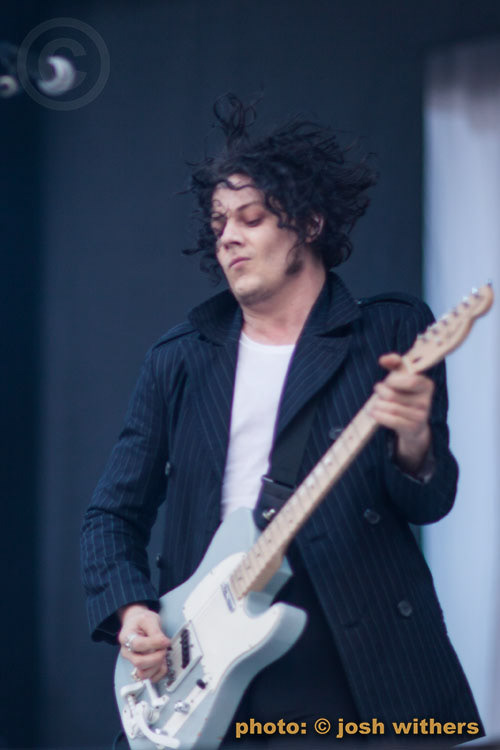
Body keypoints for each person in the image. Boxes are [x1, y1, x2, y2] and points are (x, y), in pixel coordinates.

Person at [81, 96, 483, 745]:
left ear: (309, 223)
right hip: (212, 659)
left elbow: (428, 502)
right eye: (219, 223)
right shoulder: (181, 358)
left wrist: (414, 437)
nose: (228, 236)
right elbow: (111, 515)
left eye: (252, 217)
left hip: (358, 655)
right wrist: (131, 611)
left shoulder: (388, 330)